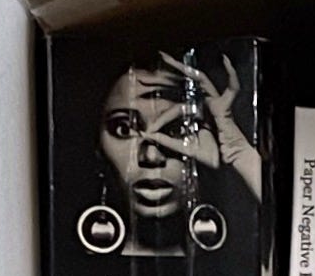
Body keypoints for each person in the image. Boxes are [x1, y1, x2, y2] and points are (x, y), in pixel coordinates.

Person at [89, 48, 263, 260]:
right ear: (98, 148)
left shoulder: (238, 263)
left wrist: (240, 154)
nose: (152, 156)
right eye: (124, 129)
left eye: (179, 129)